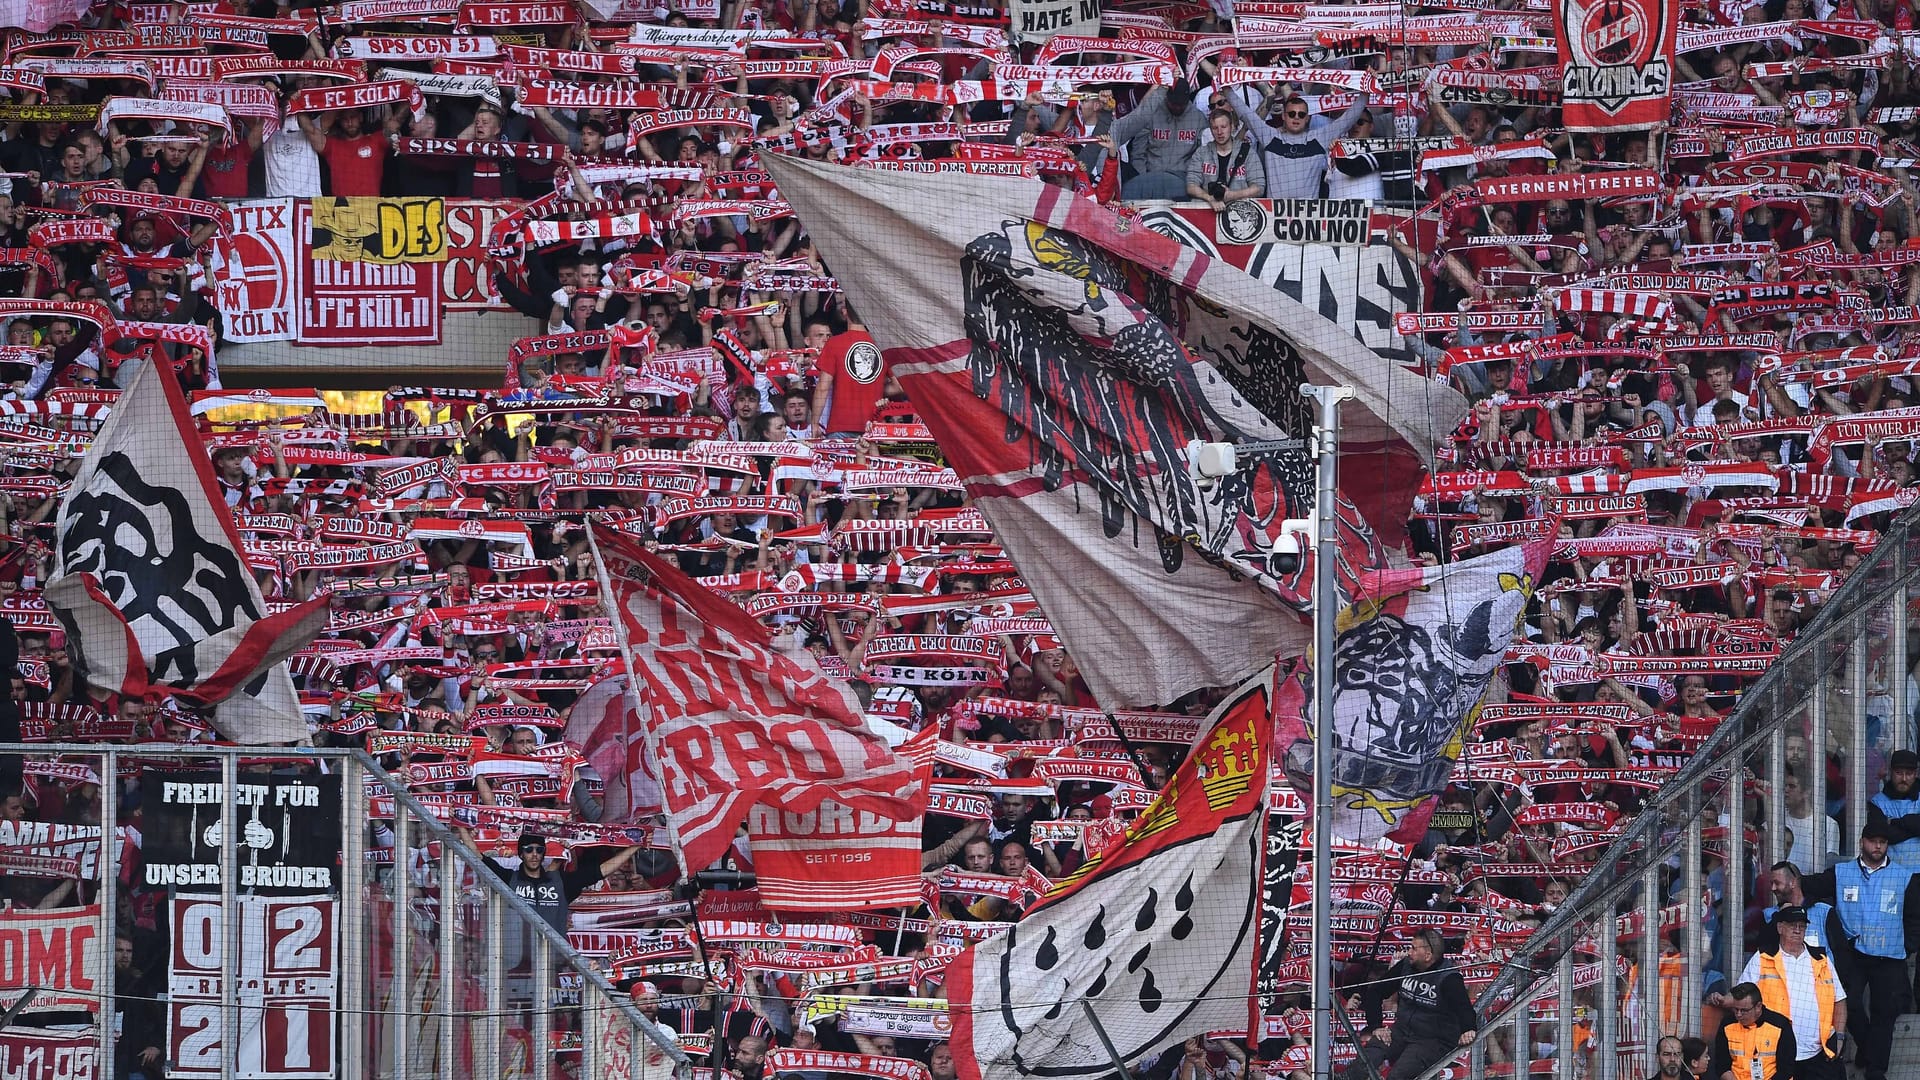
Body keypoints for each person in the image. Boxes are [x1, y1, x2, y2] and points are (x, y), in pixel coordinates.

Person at [1805, 822, 1920, 1080]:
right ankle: (1868, 1048)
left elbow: (1914, 917)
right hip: (1853, 954)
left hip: (1889, 956)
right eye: (1872, 841)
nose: (1877, 846)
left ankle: (1876, 1070)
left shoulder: (1904, 877)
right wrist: (1793, 884)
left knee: (1884, 1012)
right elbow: (1809, 887)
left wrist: (1909, 945)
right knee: (1850, 1004)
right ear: (1862, 842)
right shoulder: (1841, 872)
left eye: (1883, 841)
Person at [455, 826, 640, 935]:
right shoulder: (508, 878)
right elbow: (477, 856)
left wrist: (635, 847)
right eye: (529, 850)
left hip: (553, 954)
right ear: (520, 854)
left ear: (544, 855)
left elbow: (601, 871)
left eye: (539, 850)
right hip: (513, 954)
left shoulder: (562, 882)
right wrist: (460, 825)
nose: (534, 855)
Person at [1737, 906, 1848, 1080]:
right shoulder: (1762, 957)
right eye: (1792, 925)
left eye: (1802, 926)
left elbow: (1839, 1000)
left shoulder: (1821, 960)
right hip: (1775, 1054)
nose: (1797, 930)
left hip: (1818, 1054)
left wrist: (1839, 1038)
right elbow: (1742, 997)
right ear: (1780, 928)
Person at [1358, 928, 1477, 1079]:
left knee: (1397, 1076)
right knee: (1364, 1062)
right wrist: (1376, 1027)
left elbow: (1464, 1009)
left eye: (1414, 948)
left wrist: (1469, 1029)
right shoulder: (1406, 965)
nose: (1409, 952)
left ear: (1427, 955)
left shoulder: (1449, 979)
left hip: (1432, 1041)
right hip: (1400, 1032)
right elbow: (1376, 990)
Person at [1228, 88, 1370, 199]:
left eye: (1301, 114)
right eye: (1291, 114)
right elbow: (1245, 113)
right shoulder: (1270, 136)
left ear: (1307, 118)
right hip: (1276, 215)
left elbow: (1348, 119)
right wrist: (1226, 86)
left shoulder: (1319, 138)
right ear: (1283, 116)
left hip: (1307, 218)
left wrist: (1366, 91)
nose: (1296, 117)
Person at [1108, 82, 1206, 200]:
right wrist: (1142, 177)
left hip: (1182, 180)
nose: (1177, 107)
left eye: (1181, 105)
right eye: (1173, 103)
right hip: (1151, 177)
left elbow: (1202, 156)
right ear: (1167, 97)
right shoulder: (1152, 114)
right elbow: (1138, 152)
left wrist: (1192, 182)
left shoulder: (1199, 119)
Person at [1708, 983, 1794, 1080]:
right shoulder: (1727, 1024)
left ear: (1758, 1006)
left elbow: (1786, 1069)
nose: (1739, 1015)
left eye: (1744, 1010)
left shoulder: (1780, 1025)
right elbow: (1721, 1064)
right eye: (1736, 1009)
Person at [1185, 111, 1265, 212]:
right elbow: (1191, 186)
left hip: (1241, 212)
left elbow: (1259, 187)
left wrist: (1233, 195)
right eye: (1215, 128)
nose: (1219, 132)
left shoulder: (1248, 152)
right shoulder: (1201, 153)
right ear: (1210, 130)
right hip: (1207, 213)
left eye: (1223, 127)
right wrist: (1210, 198)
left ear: (1231, 127)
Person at [1865, 748, 1920, 867]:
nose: (1904, 779)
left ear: (1916, 774)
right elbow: (1882, 835)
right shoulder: (1877, 802)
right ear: (1891, 772)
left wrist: (1895, 822)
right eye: (1899, 773)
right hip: (1890, 875)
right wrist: (1914, 827)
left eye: (1909, 774)